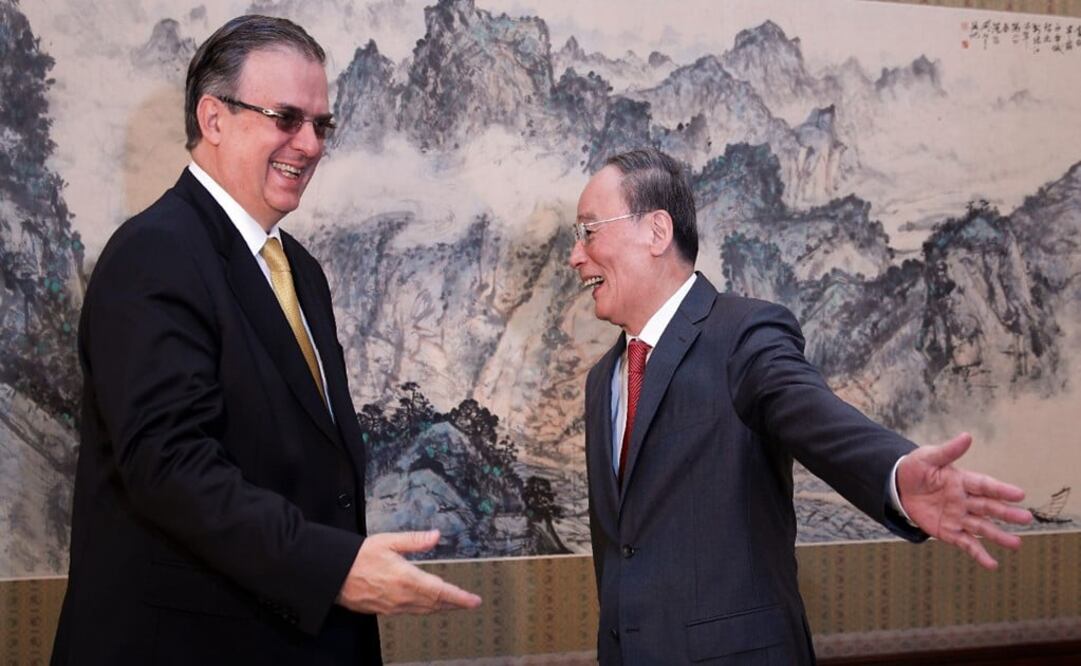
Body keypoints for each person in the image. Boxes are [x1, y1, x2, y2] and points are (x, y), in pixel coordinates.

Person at [51, 15, 479, 666]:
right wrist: (332, 568)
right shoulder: (154, 253)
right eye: (285, 118)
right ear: (214, 118)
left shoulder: (299, 269)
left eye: (321, 125)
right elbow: (172, 468)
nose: (308, 145)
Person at [569, 147, 1033, 665]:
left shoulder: (743, 335)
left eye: (589, 231)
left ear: (656, 231)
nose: (576, 255)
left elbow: (812, 414)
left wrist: (893, 473)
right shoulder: (601, 381)